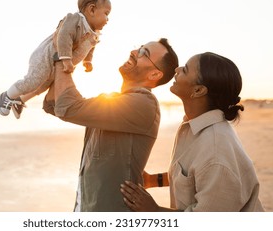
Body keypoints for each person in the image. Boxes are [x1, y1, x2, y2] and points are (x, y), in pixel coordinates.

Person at [43, 38, 179, 211]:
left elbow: (67, 106)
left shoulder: (143, 103)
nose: (134, 52)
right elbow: (54, 105)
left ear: (154, 74)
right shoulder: (115, 101)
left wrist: (63, 56)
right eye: (139, 47)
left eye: (144, 53)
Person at [120, 52, 264, 212]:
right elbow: (194, 175)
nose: (177, 69)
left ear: (198, 90)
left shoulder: (216, 153)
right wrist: (154, 180)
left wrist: (154, 211)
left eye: (186, 70)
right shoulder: (193, 126)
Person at [0, 0, 111, 119]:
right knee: (33, 81)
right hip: (46, 57)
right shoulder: (75, 20)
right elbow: (64, 36)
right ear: (92, 9)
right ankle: (7, 95)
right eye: (106, 13)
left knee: (41, 87)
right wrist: (67, 59)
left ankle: (20, 101)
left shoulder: (94, 34)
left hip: (59, 63)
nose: (108, 19)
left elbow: (90, 47)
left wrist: (88, 61)